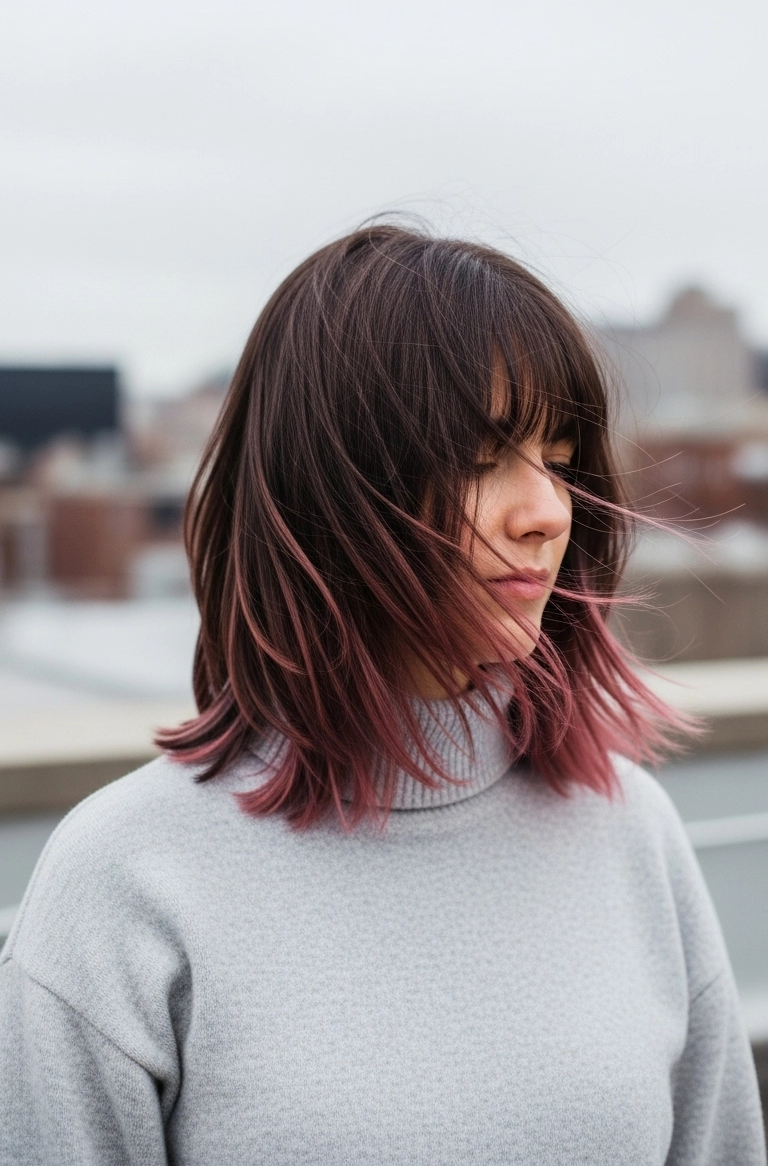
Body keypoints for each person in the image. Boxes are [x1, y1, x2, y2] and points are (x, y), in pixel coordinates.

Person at [0, 223, 764, 1166]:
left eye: (559, 459)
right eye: (479, 459)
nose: (546, 513)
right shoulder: (123, 883)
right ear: (334, 487)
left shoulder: (630, 831)